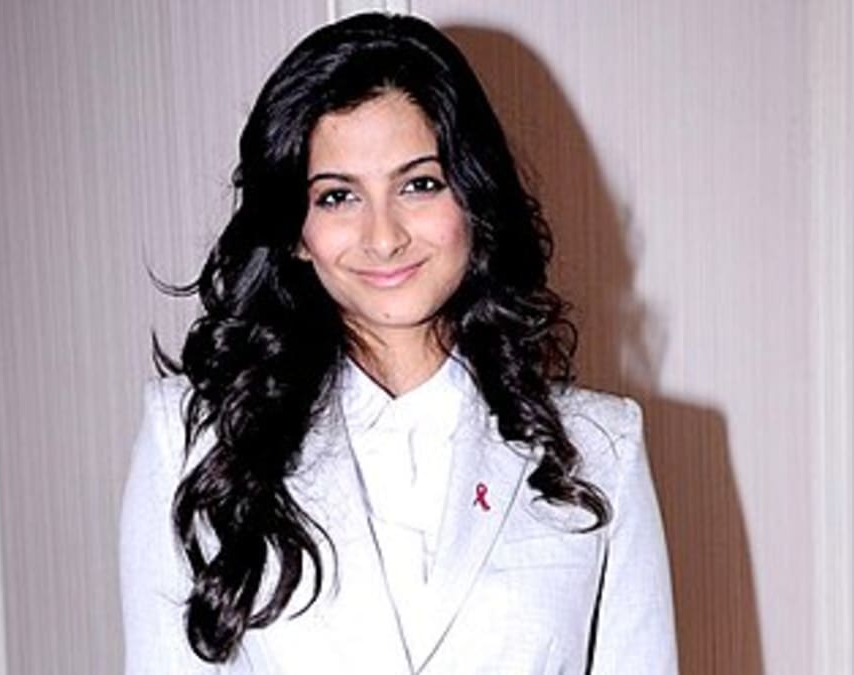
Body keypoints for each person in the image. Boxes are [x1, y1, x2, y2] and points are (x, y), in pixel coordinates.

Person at [120, 11, 676, 674]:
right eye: (337, 196)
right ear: (295, 231)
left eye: (419, 185)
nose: (383, 237)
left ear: (473, 197)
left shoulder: (600, 450)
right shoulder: (194, 443)